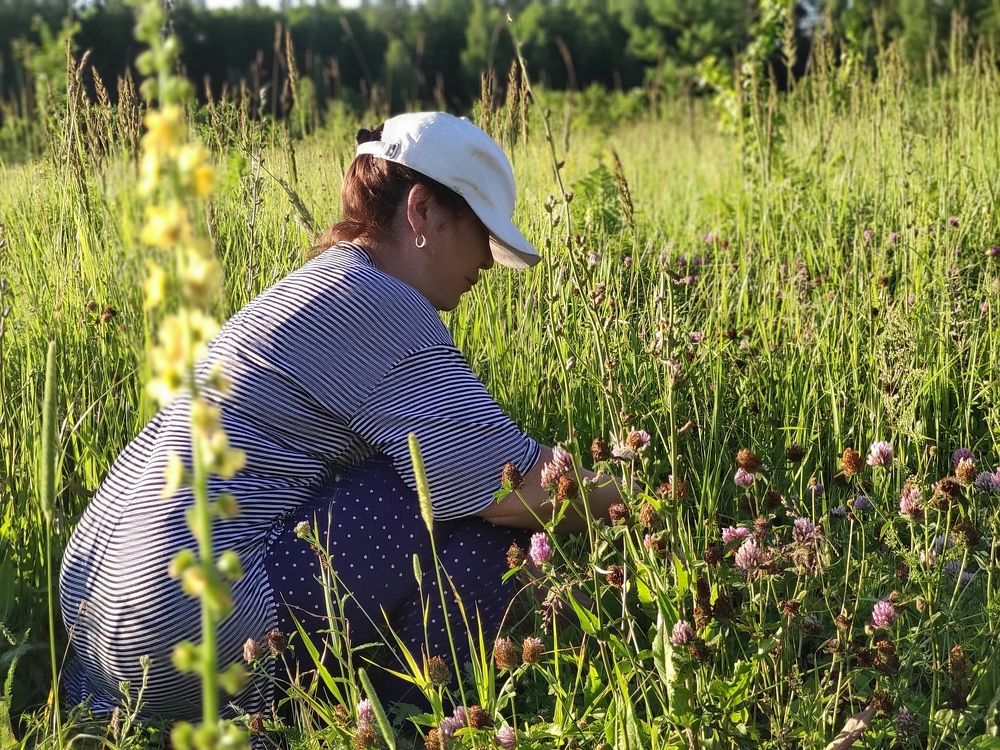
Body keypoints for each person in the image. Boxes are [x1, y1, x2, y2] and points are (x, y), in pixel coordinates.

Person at [59, 112, 626, 728]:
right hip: (191, 620)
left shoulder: (315, 287)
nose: (489, 262)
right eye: (481, 232)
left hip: (96, 614)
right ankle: (390, 722)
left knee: (424, 469)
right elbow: (514, 486)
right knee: (496, 530)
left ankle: (285, 712)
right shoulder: (385, 305)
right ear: (423, 213)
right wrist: (645, 496)